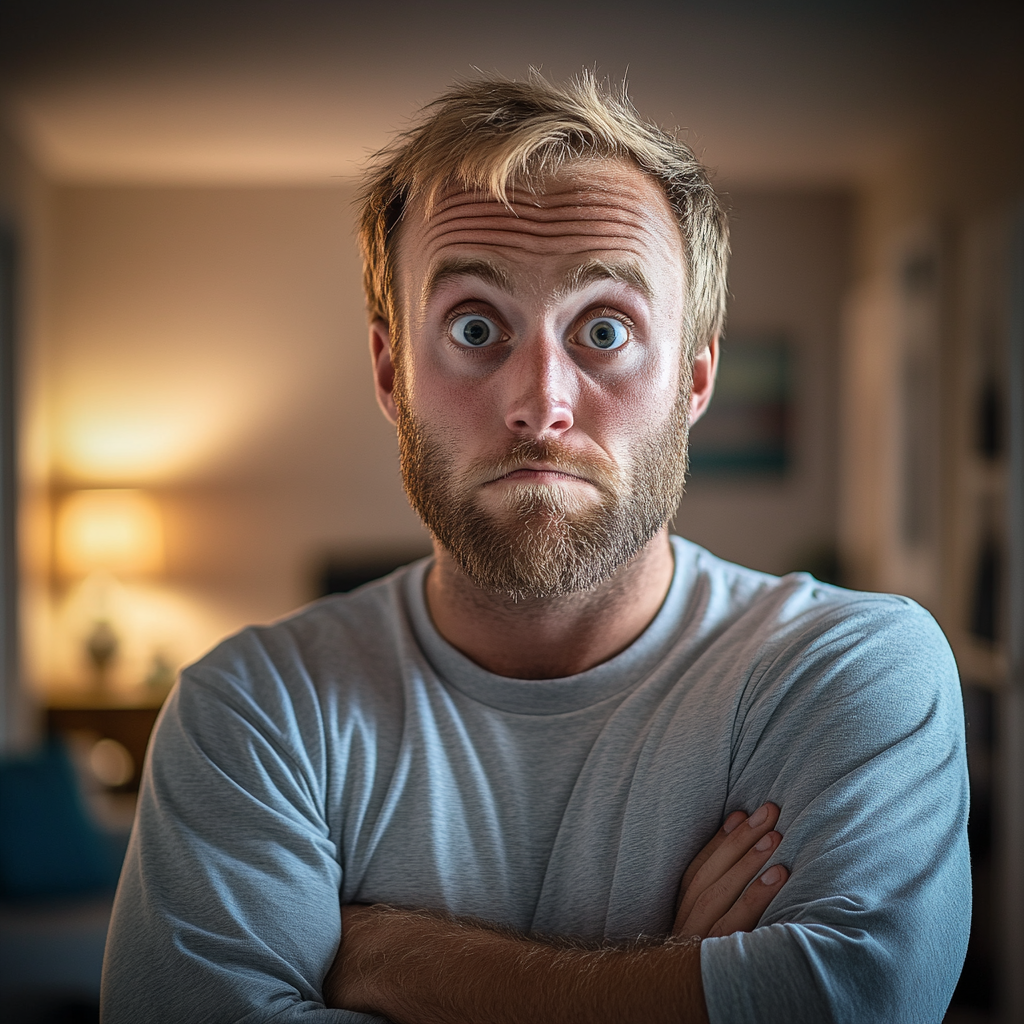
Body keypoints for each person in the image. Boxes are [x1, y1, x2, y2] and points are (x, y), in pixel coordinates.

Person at [101, 72, 970, 1023]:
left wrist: (398, 960)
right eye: (475, 326)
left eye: (605, 329)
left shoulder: (846, 670)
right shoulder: (255, 713)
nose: (540, 402)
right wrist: (686, 980)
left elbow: (854, 1000)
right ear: (393, 374)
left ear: (693, 378)